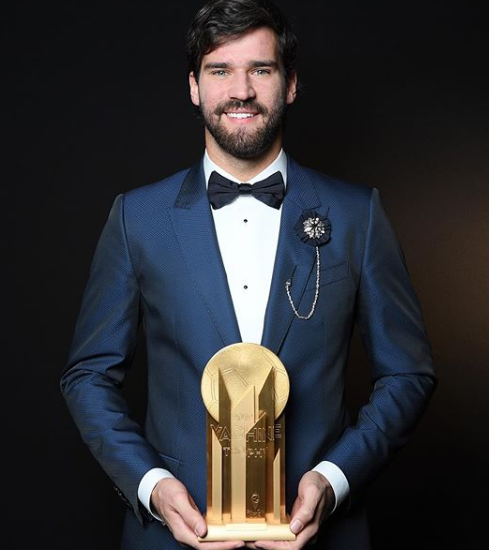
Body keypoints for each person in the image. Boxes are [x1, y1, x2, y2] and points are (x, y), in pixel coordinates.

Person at [60, 1, 436, 549]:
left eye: (260, 69)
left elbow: (408, 375)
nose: (240, 90)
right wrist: (153, 485)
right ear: (194, 87)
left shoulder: (357, 215)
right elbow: (88, 376)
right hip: (170, 537)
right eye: (220, 71)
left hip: (323, 535)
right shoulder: (135, 219)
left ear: (290, 85)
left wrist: (333, 481)